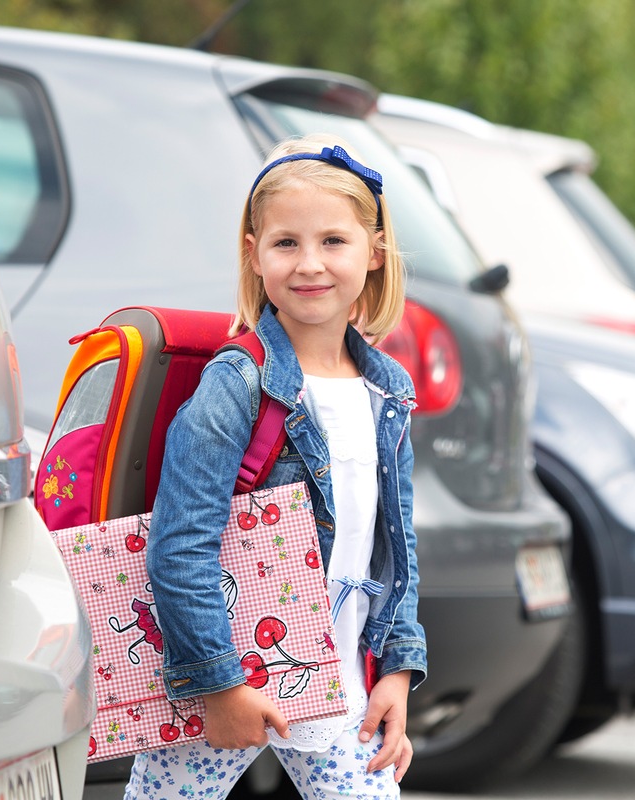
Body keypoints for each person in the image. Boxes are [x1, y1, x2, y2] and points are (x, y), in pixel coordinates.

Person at [126, 134, 427, 800]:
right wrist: (219, 685)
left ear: (374, 252)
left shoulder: (389, 393)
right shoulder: (239, 383)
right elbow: (179, 548)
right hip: (230, 683)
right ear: (253, 253)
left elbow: (396, 549)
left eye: (334, 241)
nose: (309, 264)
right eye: (286, 243)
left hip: (341, 687)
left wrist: (397, 670)